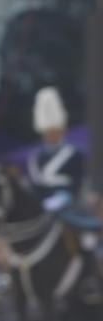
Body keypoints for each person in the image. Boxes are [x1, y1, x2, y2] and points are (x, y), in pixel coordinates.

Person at [27, 86, 100, 232]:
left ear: (62, 130)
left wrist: (63, 199)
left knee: (88, 231)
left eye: (55, 131)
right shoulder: (36, 157)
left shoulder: (74, 154)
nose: (51, 135)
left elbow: (78, 183)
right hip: (42, 207)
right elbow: (35, 186)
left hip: (69, 206)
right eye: (48, 132)